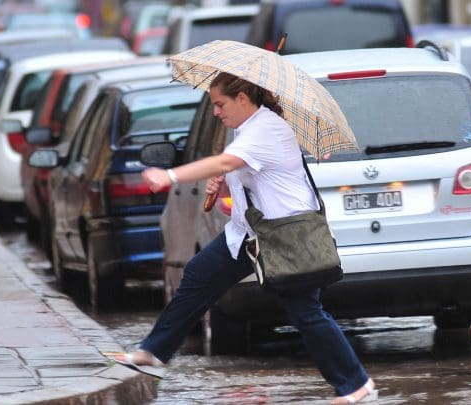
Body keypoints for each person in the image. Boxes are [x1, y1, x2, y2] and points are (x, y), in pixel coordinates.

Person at [112, 72, 378, 404]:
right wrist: (226, 185)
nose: (216, 112)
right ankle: (154, 351)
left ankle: (356, 384)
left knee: (306, 312)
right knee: (198, 274)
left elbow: (226, 161)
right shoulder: (247, 129)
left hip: (286, 236)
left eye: (220, 104)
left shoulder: (265, 128)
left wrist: (169, 175)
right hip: (248, 233)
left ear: (242, 99)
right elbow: (249, 175)